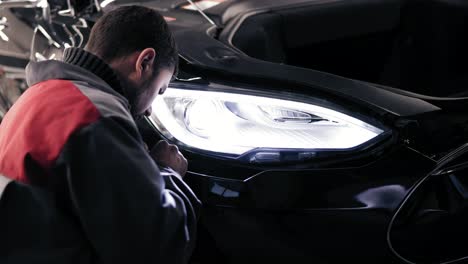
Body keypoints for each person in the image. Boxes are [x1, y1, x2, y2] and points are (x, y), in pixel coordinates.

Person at [0, 5, 200, 264]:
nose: (150, 110)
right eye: (159, 90)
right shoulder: (96, 117)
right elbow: (155, 249)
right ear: (145, 62)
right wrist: (168, 172)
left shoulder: (38, 95)